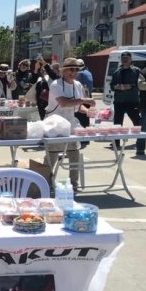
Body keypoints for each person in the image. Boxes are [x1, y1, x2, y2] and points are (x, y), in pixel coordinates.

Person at [44, 58, 95, 191]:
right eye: (71, 69)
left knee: (74, 155)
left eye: (76, 69)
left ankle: (74, 184)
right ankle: (45, 183)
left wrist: (87, 111)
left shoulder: (77, 85)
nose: (73, 72)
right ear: (63, 71)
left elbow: (77, 107)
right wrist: (84, 100)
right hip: (54, 124)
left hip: (70, 123)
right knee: (52, 156)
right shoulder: (56, 84)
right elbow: (64, 103)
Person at [110, 52, 143, 146]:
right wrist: (116, 87)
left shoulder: (136, 71)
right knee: (117, 122)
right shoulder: (117, 72)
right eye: (123, 58)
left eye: (127, 58)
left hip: (132, 101)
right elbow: (112, 85)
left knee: (137, 121)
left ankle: (140, 141)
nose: (125, 60)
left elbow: (141, 84)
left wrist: (130, 86)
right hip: (119, 101)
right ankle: (116, 142)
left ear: (130, 59)